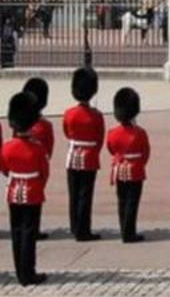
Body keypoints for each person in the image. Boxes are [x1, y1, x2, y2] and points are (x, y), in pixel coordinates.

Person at [1, 91, 50, 286]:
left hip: (14, 190)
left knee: (16, 231)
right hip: (32, 191)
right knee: (29, 233)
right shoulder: (37, 148)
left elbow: (4, 169)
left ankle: (19, 271)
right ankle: (28, 272)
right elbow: (44, 173)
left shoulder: (7, 147)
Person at [62, 67, 103, 242]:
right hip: (89, 157)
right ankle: (83, 229)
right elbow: (99, 138)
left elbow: (66, 132)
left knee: (73, 193)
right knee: (85, 195)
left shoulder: (69, 114)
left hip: (72, 155)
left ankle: (74, 225)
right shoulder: (96, 115)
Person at [106, 87, 150, 243]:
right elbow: (145, 153)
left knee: (122, 200)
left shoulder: (112, 132)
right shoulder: (140, 133)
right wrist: (139, 163)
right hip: (135, 169)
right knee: (132, 201)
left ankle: (124, 229)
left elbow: (111, 149)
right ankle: (129, 232)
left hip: (119, 169)